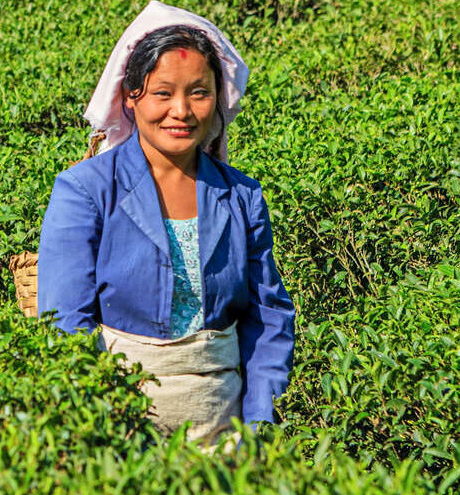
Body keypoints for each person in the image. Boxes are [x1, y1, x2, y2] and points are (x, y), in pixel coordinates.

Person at [37, 2, 295, 443]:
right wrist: (95, 426)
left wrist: (257, 425)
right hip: (118, 418)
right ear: (131, 97)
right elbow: (65, 323)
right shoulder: (86, 189)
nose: (181, 110)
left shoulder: (241, 194)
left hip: (223, 421)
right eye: (162, 93)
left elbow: (267, 317)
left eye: (199, 92)